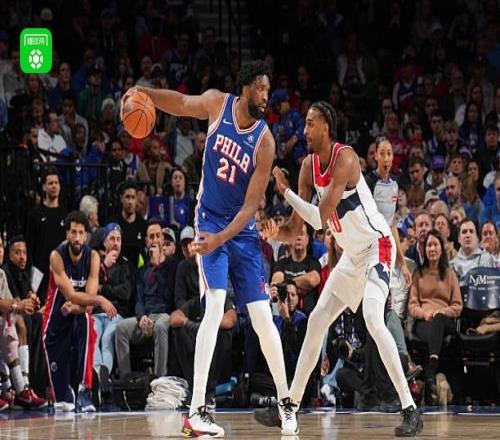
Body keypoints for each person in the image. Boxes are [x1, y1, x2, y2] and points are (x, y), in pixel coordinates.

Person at [128, 60, 295, 437]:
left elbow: (251, 208)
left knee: (263, 318)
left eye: (268, 90)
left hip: (242, 231)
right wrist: (144, 94)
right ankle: (197, 411)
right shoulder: (218, 104)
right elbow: (180, 103)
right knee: (215, 305)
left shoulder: (265, 142)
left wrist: (224, 239)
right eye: (261, 88)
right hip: (210, 222)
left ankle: (286, 404)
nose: (266, 96)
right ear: (245, 87)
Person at [256, 101, 422, 436]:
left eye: (310, 123)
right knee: (317, 320)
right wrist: (275, 231)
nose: (304, 129)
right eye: (304, 123)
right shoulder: (307, 167)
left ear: (326, 127)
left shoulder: (345, 158)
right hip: (352, 255)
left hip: (377, 247)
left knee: (373, 318)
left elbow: (319, 219)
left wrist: (284, 190)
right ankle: (289, 407)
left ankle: (410, 409)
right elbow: (296, 227)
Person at [43, 211, 117, 412]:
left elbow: (87, 301)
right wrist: (100, 299)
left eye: (81, 233)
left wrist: (78, 307)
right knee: (63, 405)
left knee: (85, 319)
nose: (77, 238)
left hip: (76, 314)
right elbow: (71, 294)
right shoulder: (56, 256)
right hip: (55, 320)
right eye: (73, 232)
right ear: (67, 234)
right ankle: (66, 391)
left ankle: (85, 390)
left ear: (86, 236)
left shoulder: (93, 257)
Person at [408, 230, 462, 404]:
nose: (432, 248)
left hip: (445, 320)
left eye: (435, 244)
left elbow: (457, 306)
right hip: (424, 322)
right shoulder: (418, 273)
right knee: (432, 324)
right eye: (429, 245)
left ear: (441, 248)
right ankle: (432, 369)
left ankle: (431, 366)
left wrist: (441, 312)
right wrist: (425, 314)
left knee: (438, 319)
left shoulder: (449, 273)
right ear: (424, 250)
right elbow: (412, 306)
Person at [26, 166, 67, 303]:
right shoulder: (35, 214)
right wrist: (32, 272)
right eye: (50, 183)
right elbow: (29, 245)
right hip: (40, 272)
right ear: (44, 187)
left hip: (61, 271)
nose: (54, 186)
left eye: (56, 183)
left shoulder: (65, 213)